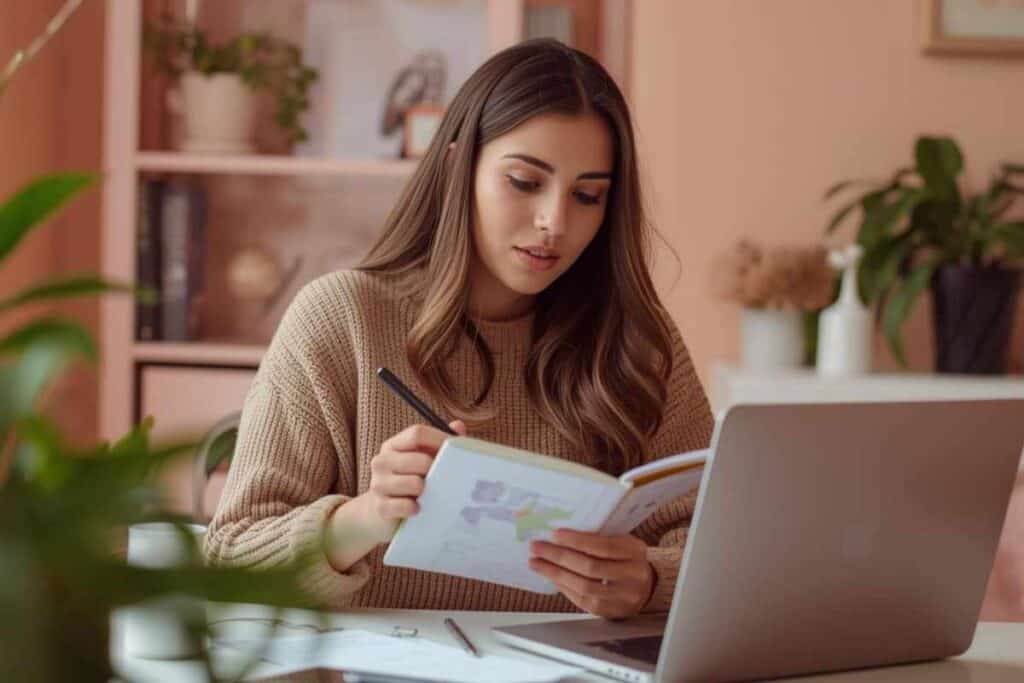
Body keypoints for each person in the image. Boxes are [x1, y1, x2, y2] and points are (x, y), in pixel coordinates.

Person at [206, 38, 713, 620]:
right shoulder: (340, 318)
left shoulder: (637, 342)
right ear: (455, 164)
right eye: (525, 182)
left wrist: (651, 580)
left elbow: (725, 546)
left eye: (587, 195)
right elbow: (231, 559)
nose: (554, 222)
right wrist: (366, 516)